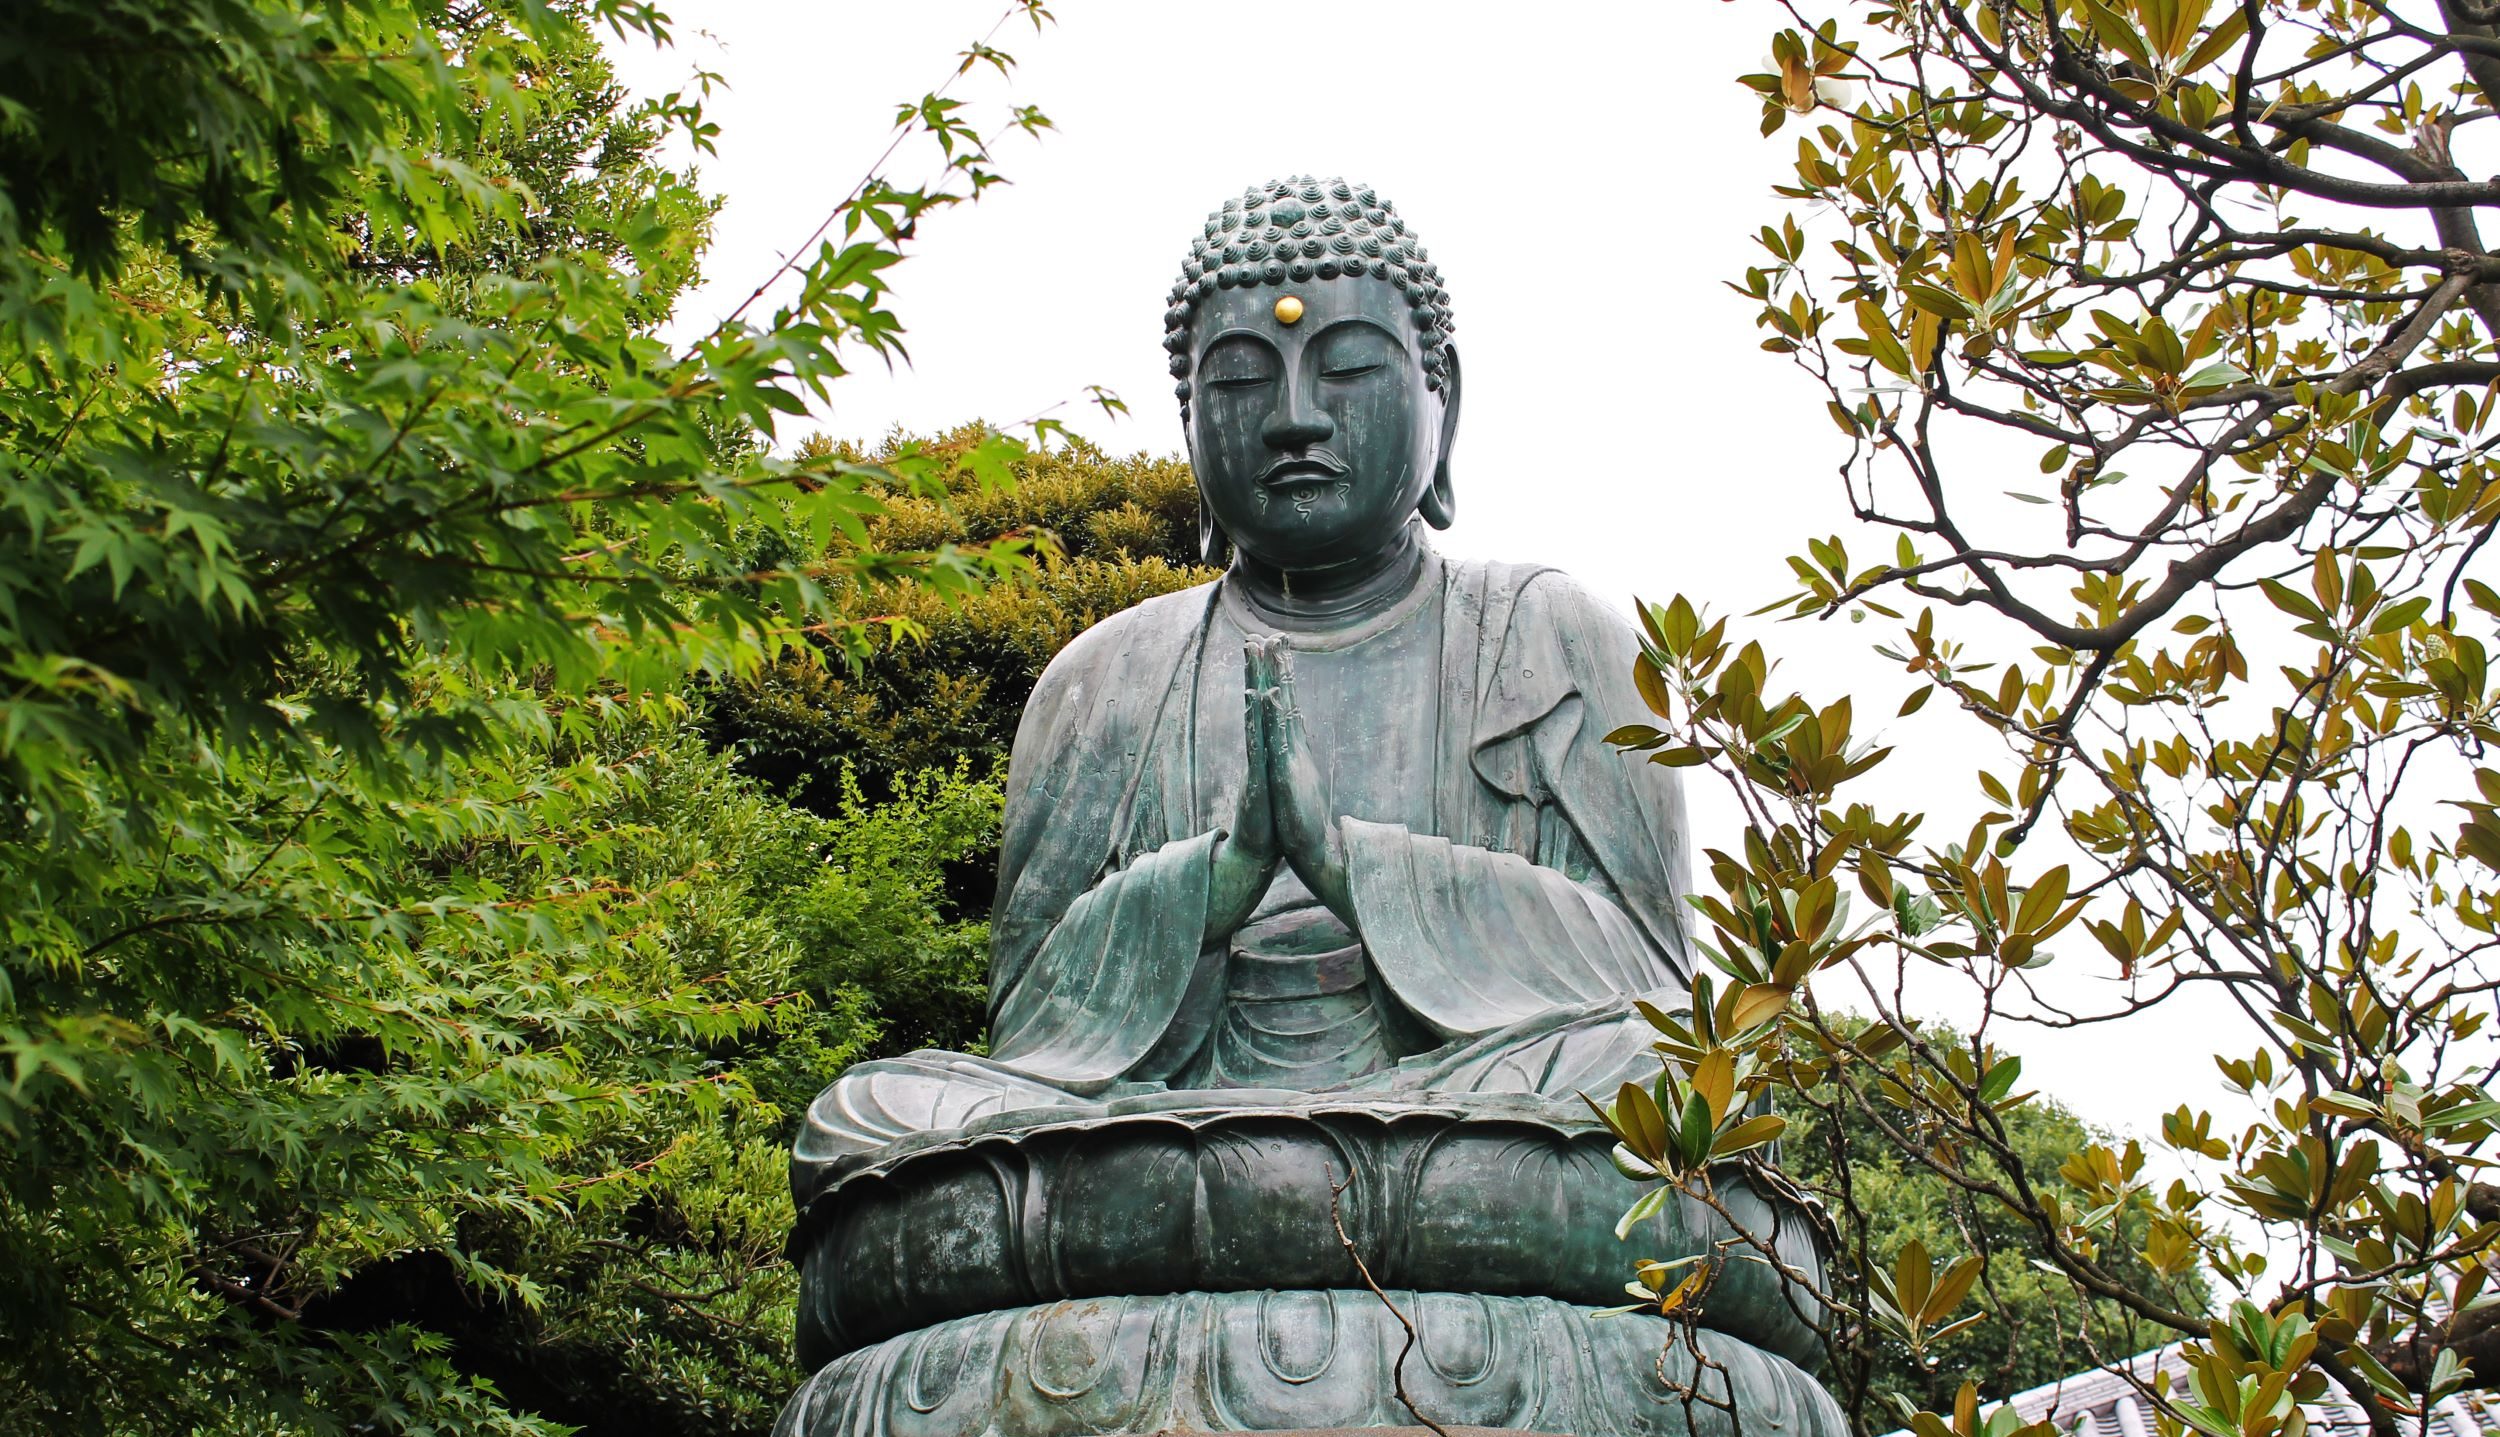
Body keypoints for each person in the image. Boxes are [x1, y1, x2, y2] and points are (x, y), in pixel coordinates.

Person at [792, 178, 1699, 1208]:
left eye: (1350, 368)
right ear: (1187, 417)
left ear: (1443, 395)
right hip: (1166, 1121)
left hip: (1477, 1107)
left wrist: (1346, 861)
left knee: (1649, 1079)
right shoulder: (1103, 679)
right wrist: (1208, 887)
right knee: (873, 1122)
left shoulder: (1553, 636)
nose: (1294, 419)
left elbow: (1652, 987)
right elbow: (1036, 1033)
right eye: (1236, 384)